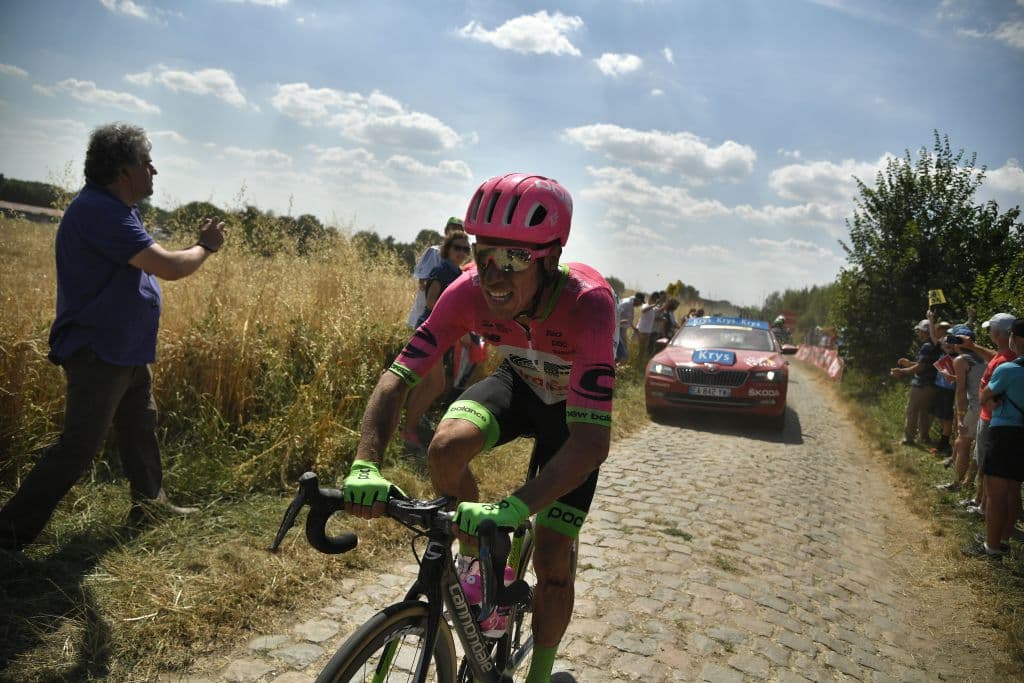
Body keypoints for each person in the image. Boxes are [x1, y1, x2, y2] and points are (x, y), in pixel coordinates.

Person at [342, 173, 615, 683]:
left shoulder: (589, 303)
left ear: (550, 259)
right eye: (484, 253)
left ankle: (540, 674)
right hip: (519, 384)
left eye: (513, 259)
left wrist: (514, 507)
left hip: (570, 417)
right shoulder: (466, 290)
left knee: (554, 558)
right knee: (444, 448)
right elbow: (398, 377)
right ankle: (482, 570)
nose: (494, 274)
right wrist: (365, 462)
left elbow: (591, 441)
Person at [0, 122, 226, 551]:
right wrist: (206, 247)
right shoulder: (100, 211)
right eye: (147, 162)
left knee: (141, 426)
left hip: (122, 348)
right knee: (79, 446)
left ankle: (150, 504)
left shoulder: (117, 210)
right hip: (99, 350)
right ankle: (10, 530)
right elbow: (171, 267)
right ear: (123, 170)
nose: (154, 170)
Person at [401, 229, 473, 453]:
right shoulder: (442, 270)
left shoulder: (458, 273)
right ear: (447, 249)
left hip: (440, 334)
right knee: (436, 384)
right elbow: (431, 302)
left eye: (465, 249)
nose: (461, 252)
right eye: (456, 248)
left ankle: (409, 427)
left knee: (425, 383)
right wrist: (458, 325)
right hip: (431, 331)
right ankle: (408, 430)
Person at [967, 316, 1023, 557]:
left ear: (1017, 339)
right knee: (1013, 492)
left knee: (996, 493)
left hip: (1004, 433)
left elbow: (984, 398)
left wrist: (995, 398)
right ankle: (1004, 540)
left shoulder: (1009, 369)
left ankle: (991, 548)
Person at [935, 325, 986, 494]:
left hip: (975, 406)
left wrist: (961, 416)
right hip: (990, 406)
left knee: (963, 442)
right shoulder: (984, 357)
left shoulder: (960, 360)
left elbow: (961, 389)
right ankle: (970, 483)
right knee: (980, 449)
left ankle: (955, 484)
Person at [406, 216, 464, 329]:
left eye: (459, 230)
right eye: (453, 229)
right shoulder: (434, 251)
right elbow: (422, 282)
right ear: (446, 231)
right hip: (428, 306)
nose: (456, 233)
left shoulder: (461, 256)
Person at [891, 318, 941, 446]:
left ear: (925, 331)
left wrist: (902, 371)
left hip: (922, 384)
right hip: (933, 385)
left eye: (919, 331)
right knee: (924, 412)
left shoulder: (926, 346)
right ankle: (924, 437)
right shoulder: (936, 346)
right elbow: (926, 364)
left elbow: (920, 368)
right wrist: (910, 364)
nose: (918, 333)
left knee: (912, 410)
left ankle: (909, 438)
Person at [614, 292, 644, 364]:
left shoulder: (631, 303)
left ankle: (618, 364)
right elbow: (615, 312)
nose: (640, 305)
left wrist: (633, 327)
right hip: (618, 328)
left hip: (622, 329)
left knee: (622, 349)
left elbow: (628, 318)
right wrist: (620, 322)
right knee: (622, 351)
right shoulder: (627, 303)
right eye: (641, 303)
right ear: (638, 300)